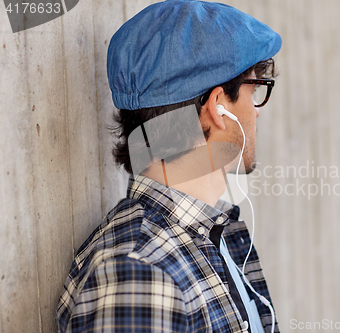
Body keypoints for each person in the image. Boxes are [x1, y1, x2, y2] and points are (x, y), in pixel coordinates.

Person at [56, 0, 282, 332]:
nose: (257, 110)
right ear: (219, 107)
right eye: (254, 89)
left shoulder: (210, 237)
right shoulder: (141, 274)